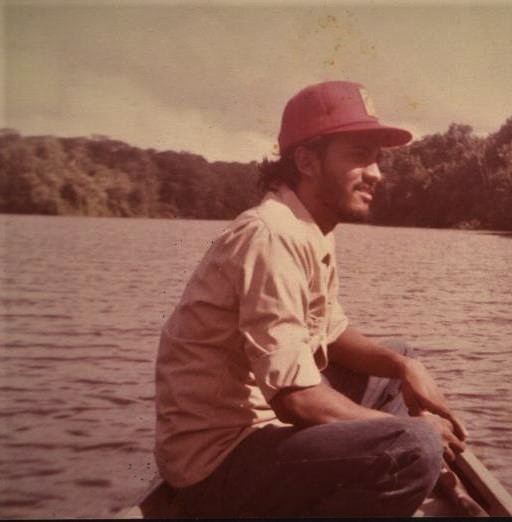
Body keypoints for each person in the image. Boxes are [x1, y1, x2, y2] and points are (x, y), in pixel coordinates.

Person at [154, 80, 469, 517]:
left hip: (261, 430)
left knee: (396, 361)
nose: (376, 173)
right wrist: (413, 430)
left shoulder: (308, 227)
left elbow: (331, 333)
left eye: (377, 159)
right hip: (216, 465)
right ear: (306, 161)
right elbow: (294, 398)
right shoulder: (272, 235)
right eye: (359, 156)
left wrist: (403, 367)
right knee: (413, 447)